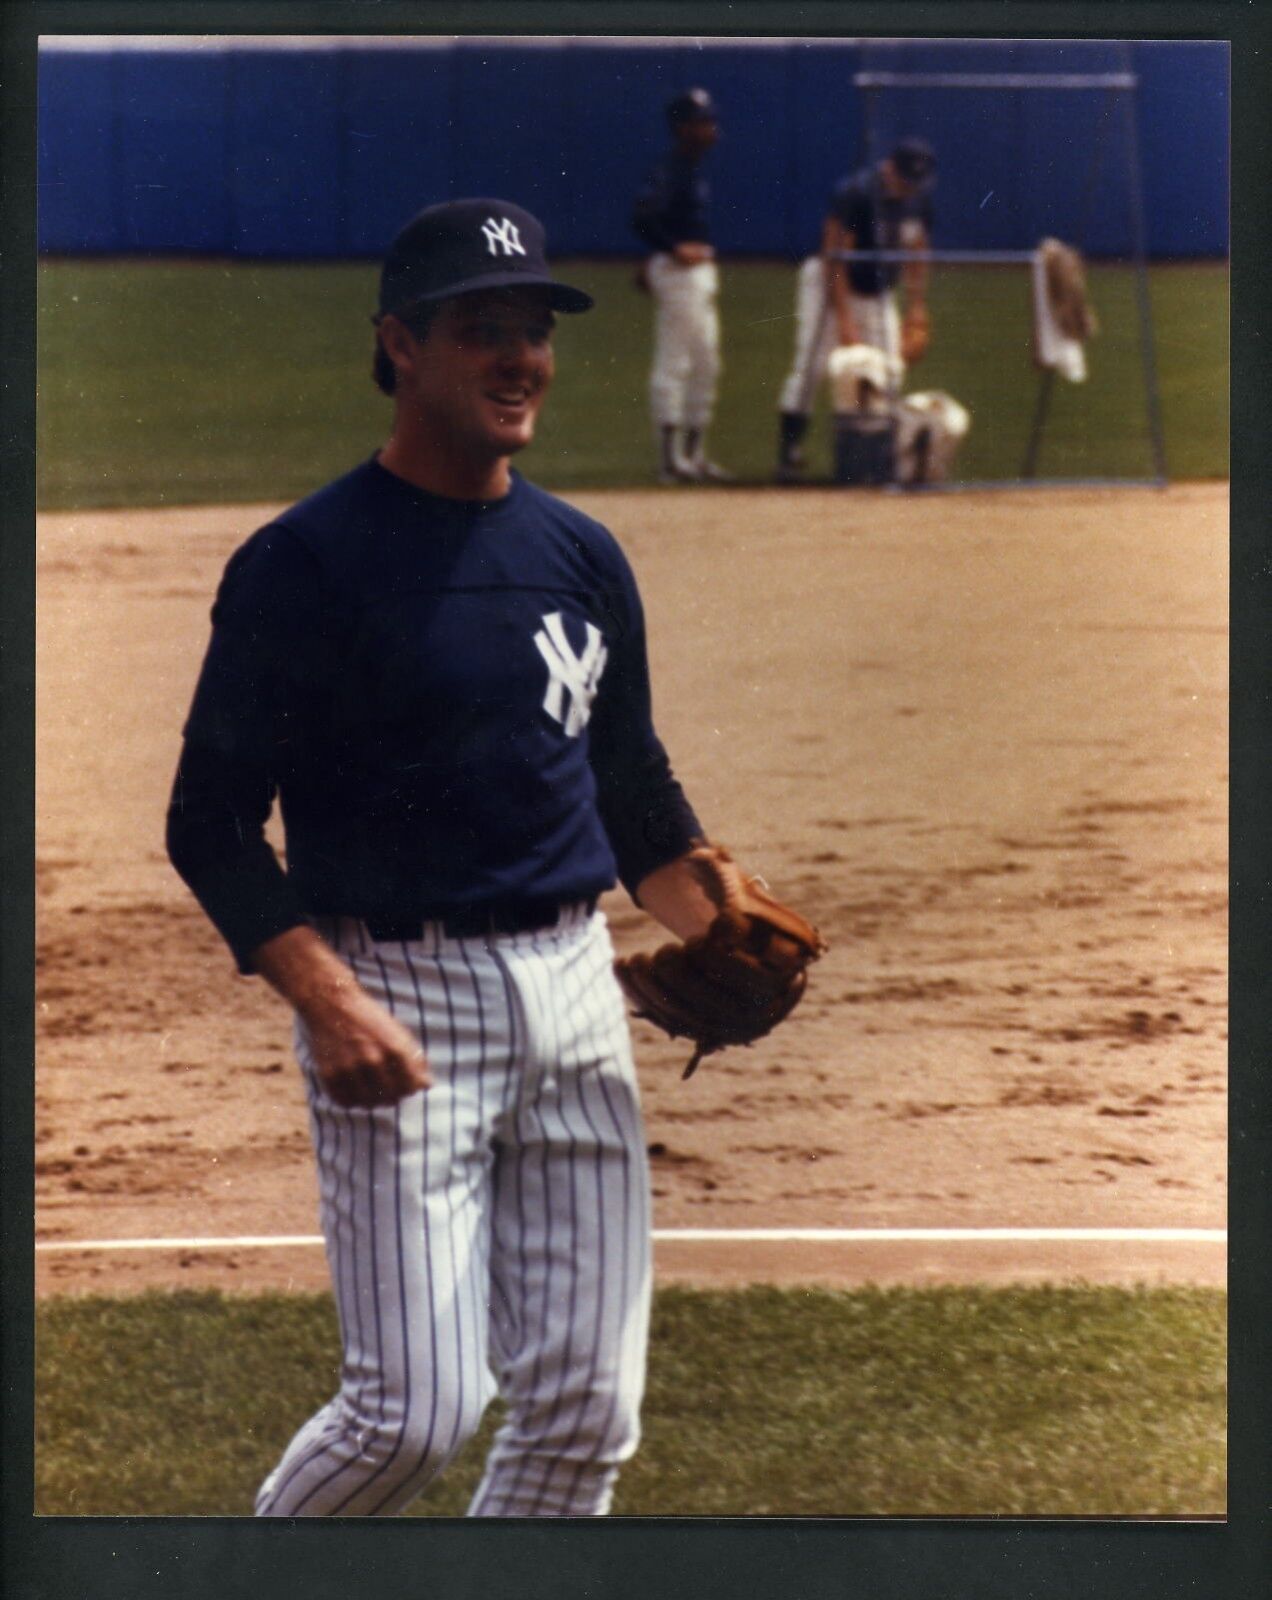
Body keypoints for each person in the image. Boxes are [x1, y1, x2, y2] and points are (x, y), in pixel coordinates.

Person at [166, 197, 725, 1518]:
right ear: (399, 346)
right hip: (400, 1003)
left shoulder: (581, 555)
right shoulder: (302, 564)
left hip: (578, 990)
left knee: (587, 1413)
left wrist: (708, 906)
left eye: (533, 330)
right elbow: (209, 821)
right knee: (415, 1417)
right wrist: (327, 997)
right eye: (485, 329)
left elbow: (626, 777)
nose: (520, 357)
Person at [775, 137, 937, 483]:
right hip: (829, 286)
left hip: (878, 291)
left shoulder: (916, 200)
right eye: (905, 179)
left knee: (890, 367)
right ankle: (789, 454)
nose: (910, 188)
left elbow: (918, 252)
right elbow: (835, 258)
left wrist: (917, 309)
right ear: (889, 168)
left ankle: (877, 457)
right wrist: (845, 322)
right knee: (813, 365)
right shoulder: (857, 193)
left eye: (915, 182)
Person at [631, 86, 733, 484]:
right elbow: (641, 217)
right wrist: (670, 249)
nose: (710, 128)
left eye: (709, 120)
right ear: (681, 128)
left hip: (697, 273)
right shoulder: (668, 169)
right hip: (680, 274)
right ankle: (670, 460)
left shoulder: (690, 168)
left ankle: (694, 454)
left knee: (708, 361)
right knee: (676, 360)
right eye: (701, 121)